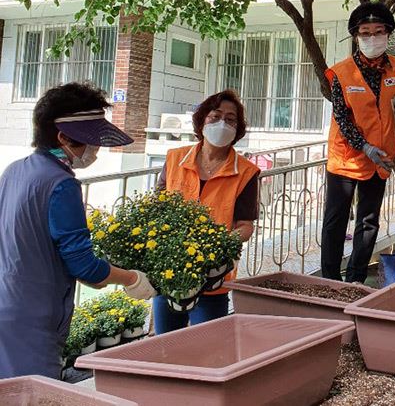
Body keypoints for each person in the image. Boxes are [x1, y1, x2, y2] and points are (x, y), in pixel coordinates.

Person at [0, 83, 156, 380]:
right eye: (90, 141)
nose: (95, 149)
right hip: (32, 324)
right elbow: (83, 265)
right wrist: (132, 278)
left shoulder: (14, 171)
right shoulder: (61, 184)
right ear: (63, 137)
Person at [154, 89, 260, 333]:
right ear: (202, 120)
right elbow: (156, 208)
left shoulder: (246, 172)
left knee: (208, 345)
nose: (222, 123)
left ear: (238, 128)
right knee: (164, 346)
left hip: (213, 277)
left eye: (231, 119)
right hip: (169, 271)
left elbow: (245, 225)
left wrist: (219, 245)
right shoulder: (175, 159)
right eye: (215, 116)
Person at [321, 2, 395, 283]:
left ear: (387, 33)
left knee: (369, 221)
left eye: (378, 31)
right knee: (336, 222)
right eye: (365, 33)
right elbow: (343, 118)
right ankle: (330, 280)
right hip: (347, 157)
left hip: (381, 157)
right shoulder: (341, 73)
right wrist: (365, 147)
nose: (372, 38)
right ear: (356, 36)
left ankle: (356, 279)